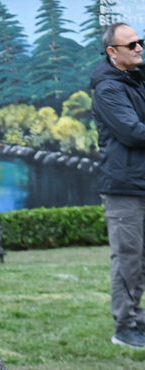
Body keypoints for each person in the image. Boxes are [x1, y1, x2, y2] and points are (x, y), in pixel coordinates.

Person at [91, 22, 145, 349]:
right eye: (132, 45)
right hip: (125, 188)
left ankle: (137, 319)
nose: (139, 48)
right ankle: (125, 327)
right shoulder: (109, 89)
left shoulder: (136, 80)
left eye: (140, 42)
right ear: (113, 52)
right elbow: (134, 133)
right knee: (128, 258)